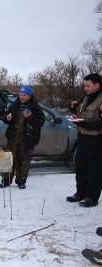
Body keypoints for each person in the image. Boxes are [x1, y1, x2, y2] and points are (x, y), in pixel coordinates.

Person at [66, 73, 102, 207]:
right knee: (80, 167)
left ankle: (92, 197)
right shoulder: (86, 97)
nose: (85, 88)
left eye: (88, 85)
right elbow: (79, 112)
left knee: (94, 170)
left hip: (96, 140)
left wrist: (84, 124)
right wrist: (72, 107)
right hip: (82, 137)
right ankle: (80, 193)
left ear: (97, 85)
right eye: (84, 85)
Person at [0, 85, 45, 189]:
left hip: (27, 139)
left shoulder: (35, 107)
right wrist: (7, 118)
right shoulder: (15, 104)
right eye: (20, 94)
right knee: (9, 159)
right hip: (13, 138)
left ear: (29, 96)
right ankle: (6, 180)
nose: (22, 97)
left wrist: (30, 117)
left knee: (24, 160)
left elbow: (40, 122)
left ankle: (21, 181)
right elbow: (4, 116)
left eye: (24, 95)